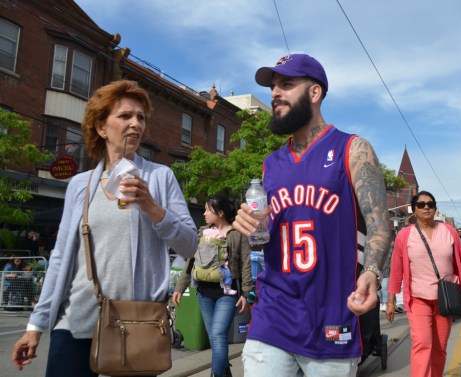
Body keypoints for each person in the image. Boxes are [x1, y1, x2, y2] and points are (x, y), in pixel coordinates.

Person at [11, 80, 198, 376]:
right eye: (125, 116)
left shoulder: (161, 177)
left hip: (135, 324)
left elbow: (190, 245)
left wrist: (152, 207)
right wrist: (36, 324)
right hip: (75, 320)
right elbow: (61, 258)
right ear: (101, 127)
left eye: (141, 117)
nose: (135, 124)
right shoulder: (79, 185)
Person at [232, 53, 391, 376]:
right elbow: (267, 236)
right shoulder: (270, 165)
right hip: (274, 313)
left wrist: (372, 271)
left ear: (314, 93)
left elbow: (380, 225)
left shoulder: (353, 149)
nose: (275, 93)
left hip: (332, 312)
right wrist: (251, 224)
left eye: (286, 85)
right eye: (273, 87)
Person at [386, 191, 461, 377]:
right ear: (414, 209)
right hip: (418, 299)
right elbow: (396, 270)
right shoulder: (405, 235)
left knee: (439, 347)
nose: (426, 207)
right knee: (422, 344)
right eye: (421, 204)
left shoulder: (449, 231)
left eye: (430, 204)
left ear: (435, 208)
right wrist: (391, 301)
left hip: (446, 300)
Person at [173, 194, 253, 377]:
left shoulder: (237, 235)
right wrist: (180, 287)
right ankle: (224, 372)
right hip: (203, 292)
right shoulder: (202, 232)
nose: (205, 213)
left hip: (228, 292)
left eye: (208, 210)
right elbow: (191, 262)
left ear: (221, 213)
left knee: (217, 336)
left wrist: (247, 292)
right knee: (216, 339)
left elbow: (246, 265)